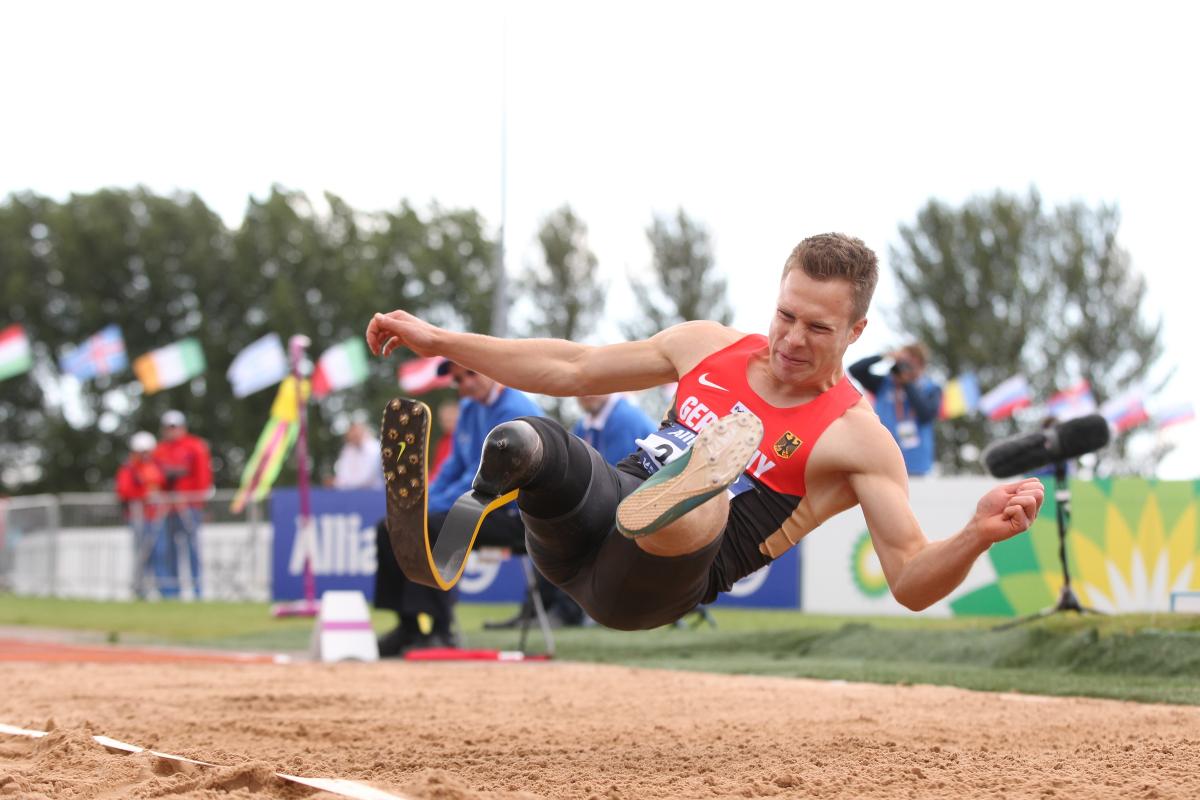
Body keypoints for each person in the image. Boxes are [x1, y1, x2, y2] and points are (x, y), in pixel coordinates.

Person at [366, 232, 1045, 631]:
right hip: (589, 524)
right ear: (774, 297)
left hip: (657, 582)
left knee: (706, 502)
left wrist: (977, 533)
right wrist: (439, 340)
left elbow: (909, 581)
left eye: (818, 328)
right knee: (523, 439)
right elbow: (571, 365)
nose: (791, 340)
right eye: (786, 316)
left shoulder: (856, 436)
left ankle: (688, 489)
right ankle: (466, 515)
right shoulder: (706, 346)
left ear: (857, 333)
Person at [373, 360, 545, 655]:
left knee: (431, 525)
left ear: (492, 371)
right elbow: (453, 467)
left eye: (471, 373)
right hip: (481, 506)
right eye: (457, 379)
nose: (464, 383)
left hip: (518, 516)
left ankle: (442, 629)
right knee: (391, 525)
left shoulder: (514, 411)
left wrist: (426, 506)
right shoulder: (469, 408)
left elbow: (484, 478)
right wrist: (418, 502)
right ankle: (409, 625)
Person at [848, 343, 943, 477]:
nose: (903, 367)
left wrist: (907, 384)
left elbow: (926, 414)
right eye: (901, 362)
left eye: (908, 363)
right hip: (882, 460)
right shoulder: (885, 384)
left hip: (916, 464)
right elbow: (855, 370)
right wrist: (884, 356)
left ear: (920, 365)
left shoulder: (931, 388)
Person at [152, 410, 212, 599]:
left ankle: (197, 591)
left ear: (183, 427)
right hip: (167, 508)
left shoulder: (195, 446)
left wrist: (198, 501)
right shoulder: (159, 450)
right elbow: (155, 476)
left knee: (192, 549)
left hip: (189, 506)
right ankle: (172, 593)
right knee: (168, 551)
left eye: (175, 427)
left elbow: (203, 476)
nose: (172, 431)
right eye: (168, 427)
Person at [116, 431, 166, 598]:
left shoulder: (156, 466)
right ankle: (140, 591)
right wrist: (143, 495)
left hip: (156, 518)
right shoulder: (129, 468)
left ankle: (164, 591)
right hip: (139, 518)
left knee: (159, 554)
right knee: (141, 555)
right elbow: (124, 490)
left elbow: (161, 485)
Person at [572, 394, 659, 466]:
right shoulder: (582, 426)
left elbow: (617, 477)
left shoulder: (625, 419)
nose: (586, 395)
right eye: (581, 387)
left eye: (592, 385)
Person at [332, 414, 384, 490]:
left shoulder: (375, 448)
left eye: (355, 431)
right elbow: (342, 473)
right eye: (351, 432)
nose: (353, 434)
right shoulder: (347, 450)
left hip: (373, 494)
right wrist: (336, 482)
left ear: (362, 431)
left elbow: (368, 476)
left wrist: (343, 483)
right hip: (351, 494)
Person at [429, 399, 459, 481]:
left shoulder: (463, 442)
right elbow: (436, 470)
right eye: (443, 420)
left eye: (450, 420)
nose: (446, 424)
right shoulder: (442, 442)